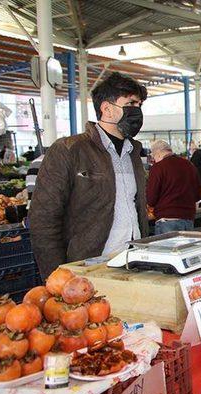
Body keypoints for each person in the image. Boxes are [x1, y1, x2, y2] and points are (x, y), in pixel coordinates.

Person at [28, 72, 149, 279]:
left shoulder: (135, 153)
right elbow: (44, 219)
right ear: (107, 109)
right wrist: (57, 276)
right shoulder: (69, 150)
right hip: (87, 269)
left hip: (131, 264)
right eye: (131, 104)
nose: (137, 111)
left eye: (139, 106)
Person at [146, 140, 201, 234]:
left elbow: (151, 199)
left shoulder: (158, 168)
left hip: (167, 220)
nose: (154, 160)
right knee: (186, 248)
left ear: (158, 154)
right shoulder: (189, 165)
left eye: (154, 157)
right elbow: (198, 195)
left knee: (167, 249)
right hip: (188, 219)